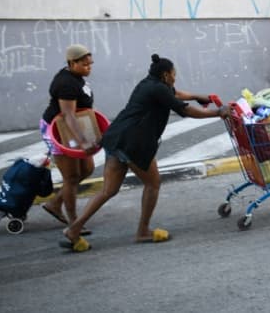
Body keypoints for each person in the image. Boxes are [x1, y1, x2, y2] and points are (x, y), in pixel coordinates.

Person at [60, 54, 228, 252]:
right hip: (135, 143)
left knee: (109, 190)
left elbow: (176, 94)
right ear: (166, 75)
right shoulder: (158, 88)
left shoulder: (149, 83)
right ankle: (143, 231)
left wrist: (199, 97)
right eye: (174, 75)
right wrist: (218, 112)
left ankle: (74, 229)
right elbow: (185, 111)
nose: (175, 78)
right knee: (153, 183)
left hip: (116, 138)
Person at [40, 44, 97, 233]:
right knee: (71, 176)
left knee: (87, 169)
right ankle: (75, 222)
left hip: (77, 126)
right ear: (72, 63)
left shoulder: (76, 76)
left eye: (90, 64)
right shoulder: (66, 83)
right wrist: (84, 141)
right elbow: (68, 115)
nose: (89, 68)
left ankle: (55, 204)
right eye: (85, 65)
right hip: (59, 129)